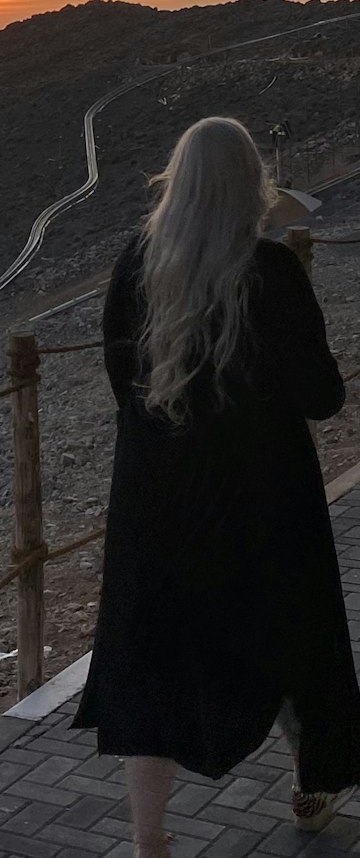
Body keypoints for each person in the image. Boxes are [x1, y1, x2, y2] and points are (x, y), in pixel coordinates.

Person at [72, 115, 360, 856]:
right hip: (265, 504)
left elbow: (120, 380)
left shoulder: (135, 262)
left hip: (158, 502)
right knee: (296, 639)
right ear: (248, 185)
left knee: (156, 661)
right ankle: (311, 788)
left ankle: (149, 841)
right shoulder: (270, 270)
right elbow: (321, 395)